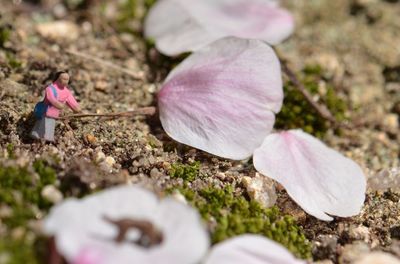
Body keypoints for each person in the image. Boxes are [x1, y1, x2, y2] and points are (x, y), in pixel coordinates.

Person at [30, 70, 81, 142]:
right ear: (58, 78)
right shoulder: (50, 88)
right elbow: (51, 98)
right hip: (46, 111)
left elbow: (71, 100)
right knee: (44, 125)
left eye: (67, 79)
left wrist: (76, 108)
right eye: (64, 79)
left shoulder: (66, 92)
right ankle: (41, 139)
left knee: (48, 126)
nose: (66, 81)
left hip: (54, 114)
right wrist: (58, 104)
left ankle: (40, 138)